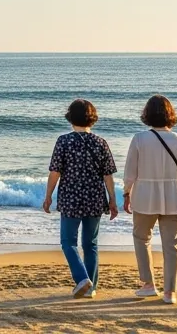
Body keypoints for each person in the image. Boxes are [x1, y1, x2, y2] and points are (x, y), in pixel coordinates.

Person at [123, 94, 177, 305]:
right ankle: (169, 292)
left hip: (144, 196)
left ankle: (148, 285)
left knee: (141, 239)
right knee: (171, 246)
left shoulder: (139, 139)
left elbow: (130, 173)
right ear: (170, 115)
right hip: (174, 196)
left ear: (147, 115)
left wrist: (126, 193)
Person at [43, 98, 119, 299]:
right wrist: (112, 199)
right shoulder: (100, 142)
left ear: (70, 118)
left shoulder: (64, 141)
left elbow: (55, 172)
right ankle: (91, 288)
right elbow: (108, 175)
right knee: (90, 244)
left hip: (70, 198)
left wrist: (48, 195)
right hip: (95, 198)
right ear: (92, 119)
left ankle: (82, 278)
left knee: (68, 242)